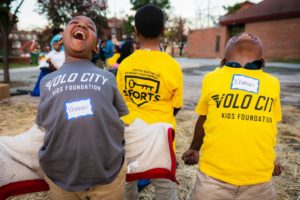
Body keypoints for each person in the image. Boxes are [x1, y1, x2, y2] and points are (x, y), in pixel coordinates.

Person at [36, 16, 128, 200]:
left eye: (89, 27)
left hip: (108, 178)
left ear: (96, 46)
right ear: (62, 39)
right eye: (75, 23)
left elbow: (120, 117)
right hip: (60, 178)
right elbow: (43, 125)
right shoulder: (46, 82)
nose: (81, 25)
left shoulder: (108, 77)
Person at [182, 32, 283, 200]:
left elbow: (269, 127)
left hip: (259, 181)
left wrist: (272, 158)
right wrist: (194, 148)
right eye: (235, 36)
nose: (244, 34)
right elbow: (204, 118)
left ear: (262, 60)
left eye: (252, 35)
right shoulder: (212, 79)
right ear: (225, 60)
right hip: (212, 179)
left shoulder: (273, 84)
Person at [116, 5, 183, 200]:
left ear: (136, 31)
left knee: (127, 182)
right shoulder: (172, 66)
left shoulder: (126, 64)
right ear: (163, 30)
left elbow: (118, 104)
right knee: (164, 186)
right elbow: (176, 105)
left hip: (130, 136)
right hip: (161, 138)